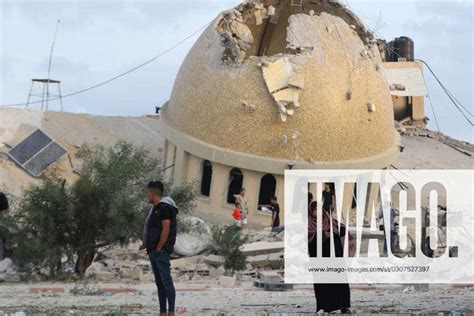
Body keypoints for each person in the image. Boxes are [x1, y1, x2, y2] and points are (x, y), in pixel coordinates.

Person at [308, 199, 355, 313]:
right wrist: (323, 235)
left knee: (339, 281)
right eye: (314, 210)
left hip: (335, 258)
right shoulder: (309, 225)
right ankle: (323, 307)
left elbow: (343, 230)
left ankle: (344, 305)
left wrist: (336, 231)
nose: (316, 212)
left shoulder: (330, 221)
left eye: (318, 209)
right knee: (323, 284)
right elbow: (308, 238)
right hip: (320, 259)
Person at [142, 181, 178, 316]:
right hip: (153, 250)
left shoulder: (165, 208)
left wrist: (159, 247)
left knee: (166, 281)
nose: (147, 196)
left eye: (148, 193)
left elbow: (166, 228)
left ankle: (171, 312)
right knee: (159, 283)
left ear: (153, 193)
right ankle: (162, 312)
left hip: (160, 251)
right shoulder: (155, 208)